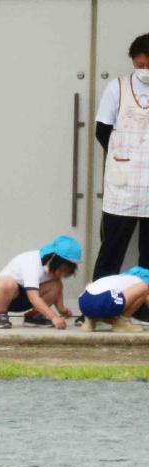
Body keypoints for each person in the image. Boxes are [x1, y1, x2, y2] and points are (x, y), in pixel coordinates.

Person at [94, 35, 149, 282]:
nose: (144, 71)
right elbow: (102, 129)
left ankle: (143, 306)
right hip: (123, 184)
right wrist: (124, 157)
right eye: (139, 65)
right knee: (112, 247)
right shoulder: (117, 87)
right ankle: (99, 303)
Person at [0, 236, 81, 329]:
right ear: (54, 260)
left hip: (23, 297)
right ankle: (0, 315)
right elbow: (33, 297)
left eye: (65, 273)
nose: (62, 275)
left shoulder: (51, 268)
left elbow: (58, 288)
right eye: (61, 270)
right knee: (7, 284)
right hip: (0, 295)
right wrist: (54, 317)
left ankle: (33, 317)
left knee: (55, 285)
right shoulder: (32, 263)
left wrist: (61, 309)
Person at [78, 265, 149, 331]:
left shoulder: (118, 278)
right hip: (104, 301)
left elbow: (89, 285)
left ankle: (89, 320)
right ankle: (122, 323)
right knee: (145, 288)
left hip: (84, 304)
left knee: (97, 293)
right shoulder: (142, 280)